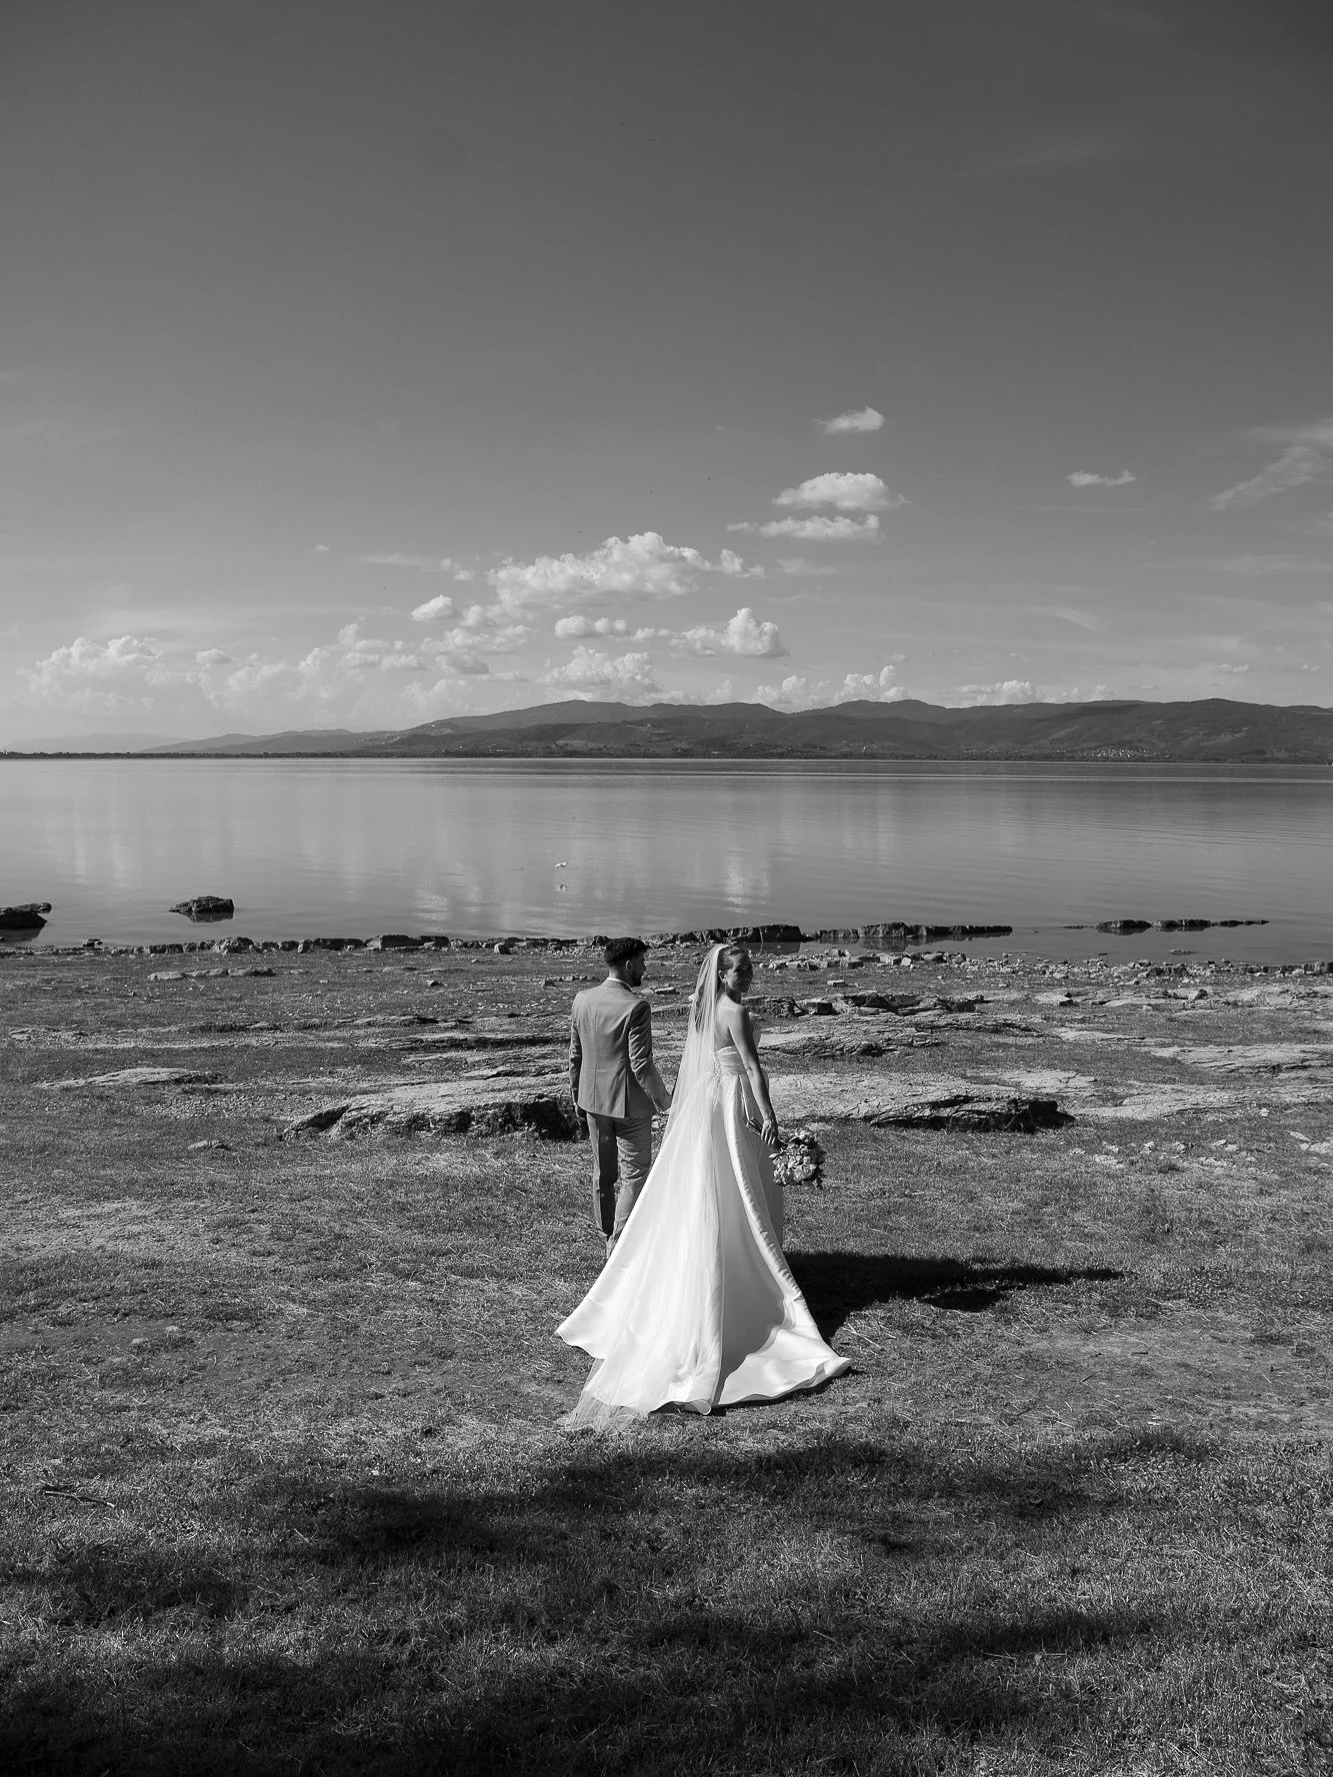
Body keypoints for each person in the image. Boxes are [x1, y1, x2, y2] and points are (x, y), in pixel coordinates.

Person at [558, 942, 850, 1426]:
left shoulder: (702, 1008)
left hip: (704, 1102)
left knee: (701, 1186)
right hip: (730, 1101)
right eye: (740, 970)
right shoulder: (734, 1011)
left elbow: (705, 1061)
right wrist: (770, 1115)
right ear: (723, 975)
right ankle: (742, 1271)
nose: (748, 976)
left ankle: (651, 1247)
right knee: (733, 1187)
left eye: (751, 969)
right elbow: (752, 1069)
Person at [569, 936, 673, 1256]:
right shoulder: (636, 1007)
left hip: (592, 1101)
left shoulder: (582, 999)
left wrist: (577, 1097)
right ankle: (618, 1244)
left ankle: (606, 1233)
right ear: (628, 965)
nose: (645, 967)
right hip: (629, 1106)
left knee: (603, 1173)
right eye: (642, 962)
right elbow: (641, 1064)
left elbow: (575, 1056)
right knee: (635, 1175)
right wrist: (667, 1103)